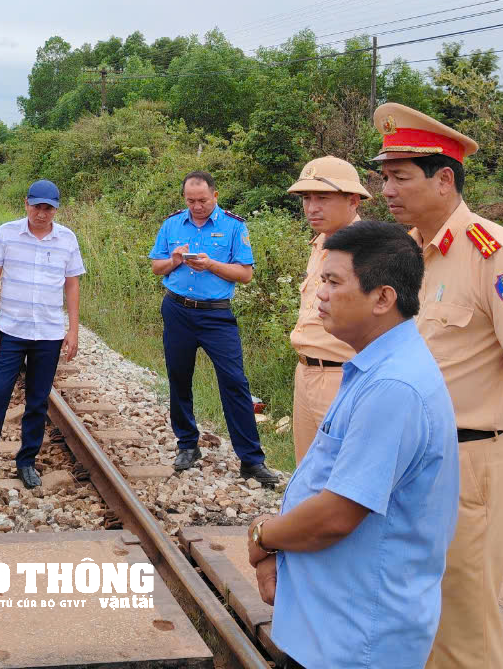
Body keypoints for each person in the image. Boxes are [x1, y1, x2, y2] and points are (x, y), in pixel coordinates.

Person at [374, 103, 503, 669]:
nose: (387, 190)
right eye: (384, 177)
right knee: (410, 613)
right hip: (403, 459)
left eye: (400, 176)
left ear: (444, 180)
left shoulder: (495, 254)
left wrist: (495, 435)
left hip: (463, 460)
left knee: (463, 628)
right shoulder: (406, 254)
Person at [247, 221, 459, 669]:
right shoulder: (378, 366)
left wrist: (262, 536)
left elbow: (335, 517)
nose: (320, 295)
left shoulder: (393, 387)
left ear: (382, 298)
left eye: (333, 282)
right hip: (332, 624)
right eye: (321, 281)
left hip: (355, 640)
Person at [0, 179, 85, 490]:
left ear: (56, 209)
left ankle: (26, 463)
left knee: (37, 401)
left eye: (48, 208)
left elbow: (72, 285)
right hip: (10, 330)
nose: (42, 213)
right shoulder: (7, 233)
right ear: (26, 204)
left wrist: (73, 330)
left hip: (48, 333)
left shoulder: (67, 238)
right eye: (37, 206)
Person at [148, 170, 281, 487]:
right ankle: (187, 444)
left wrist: (210, 265)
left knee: (234, 381)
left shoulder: (234, 226)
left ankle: (251, 460)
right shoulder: (172, 224)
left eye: (203, 201)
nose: (197, 206)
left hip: (216, 316)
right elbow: (156, 267)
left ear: (215, 196)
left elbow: (245, 274)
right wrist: (175, 260)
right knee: (179, 377)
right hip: (177, 310)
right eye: (191, 201)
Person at [286, 155, 370, 461]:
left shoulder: (369, 251)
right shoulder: (321, 243)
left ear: (353, 201)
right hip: (305, 372)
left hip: (343, 376)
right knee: (307, 470)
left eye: (322, 198)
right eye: (307, 198)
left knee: (341, 470)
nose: (312, 207)